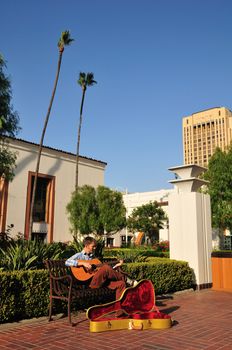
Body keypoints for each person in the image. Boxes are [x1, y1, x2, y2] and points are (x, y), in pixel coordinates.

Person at [65, 236, 134, 301]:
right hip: (90, 284)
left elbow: (104, 271)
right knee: (106, 268)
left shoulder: (93, 258)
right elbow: (67, 262)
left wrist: (116, 266)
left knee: (121, 284)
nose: (95, 248)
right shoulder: (79, 255)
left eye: (95, 246)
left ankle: (119, 309)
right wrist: (82, 263)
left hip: (101, 281)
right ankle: (126, 279)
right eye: (93, 246)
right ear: (86, 246)